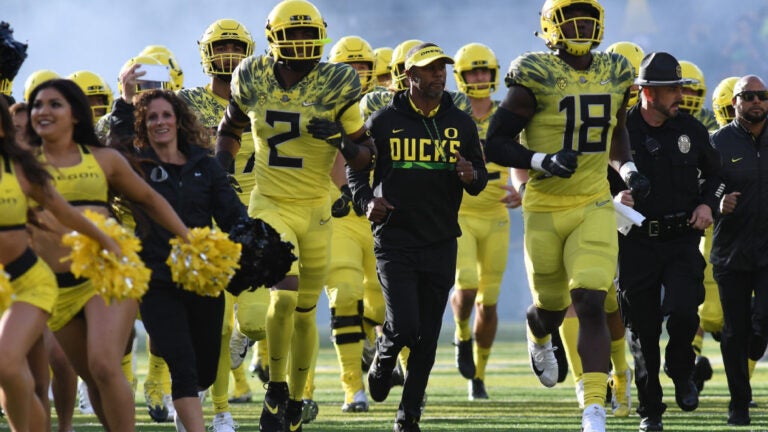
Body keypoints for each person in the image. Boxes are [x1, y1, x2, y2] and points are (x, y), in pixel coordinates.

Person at [484, 2, 649, 431]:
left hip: (593, 203)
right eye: (570, 18)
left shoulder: (615, 70)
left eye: (587, 17)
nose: (580, 26)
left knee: (591, 299)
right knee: (552, 309)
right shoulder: (534, 75)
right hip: (544, 208)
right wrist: (540, 160)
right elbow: (495, 142)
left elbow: (616, 128)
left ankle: (593, 410)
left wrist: (627, 169)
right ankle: (537, 333)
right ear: (549, 27)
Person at [214, 1, 376, 431]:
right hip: (270, 203)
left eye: (309, 34)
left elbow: (366, 155)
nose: (303, 42)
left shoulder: (338, 81)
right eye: (294, 34)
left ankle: (298, 401)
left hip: (318, 209)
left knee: (306, 310)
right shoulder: (251, 75)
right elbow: (229, 128)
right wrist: (222, 173)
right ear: (274, 37)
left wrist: (341, 139)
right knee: (283, 298)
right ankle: (277, 388)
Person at [26, 78, 189, 432]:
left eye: (55, 104)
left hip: (107, 272)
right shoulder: (24, 165)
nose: (43, 111)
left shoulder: (105, 159)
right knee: (89, 373)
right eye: (37, 105)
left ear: (74, 115)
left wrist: (186, 236)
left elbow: (149, 199)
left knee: (103, 364)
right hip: (54, 285)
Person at [350, 41, 487, 432]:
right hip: (394, 240)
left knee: (428, 336)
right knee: (406, 326)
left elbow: (479, 178)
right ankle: (384, 356)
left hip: (441, 240)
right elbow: (357, 170)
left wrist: (470, 176)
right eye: (429, 69)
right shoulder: (381, 121)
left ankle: (408, 416)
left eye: (442, 68)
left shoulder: (460, 122)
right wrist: (365, 202)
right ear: (409, 76)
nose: (439, 75)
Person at [109, 88, 248, 432]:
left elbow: (231, 214)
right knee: (181, 364)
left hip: (203, 277)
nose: (160, 122)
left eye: (166, 115)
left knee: (203, 368)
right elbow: (113, 149)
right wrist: (125, 104)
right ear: (143, 123)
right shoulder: (136, 164)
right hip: (156, 279)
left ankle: (186, 407)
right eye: (152, 117)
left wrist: (256, 242)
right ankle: (192, 421)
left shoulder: (206, 164)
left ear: (179, 120)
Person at [613, 52, 724, 432]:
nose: (680, 94)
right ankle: (651, 412)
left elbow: (718, 176)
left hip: (681, 241)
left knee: (683, 313)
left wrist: (709, 204)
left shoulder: (691, 129)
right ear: (647, 93)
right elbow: (592, 181)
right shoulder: (620, 131)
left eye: (680, 87)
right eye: (672, 88)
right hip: (635, 243)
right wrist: (614, 200)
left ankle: (682, 370)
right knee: (641, 331)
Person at [0, 95, 120, 432]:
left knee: (12, 365)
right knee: (19, 376)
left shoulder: (21, 168)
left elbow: (64, 212)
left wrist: (109, 242)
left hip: (28, 279)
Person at [176, 17, 258, 432]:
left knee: (254, 320)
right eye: (220, 46)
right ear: (206, 52)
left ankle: (246, 340)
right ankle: (220, 411)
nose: (227, 54)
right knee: (217, 323)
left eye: (234, 47)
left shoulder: (263, 97)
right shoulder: (186, 101)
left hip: (258, 208)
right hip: (206, 215)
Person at [449, 41, 520, 401]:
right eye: (472, 71)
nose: (478, 77)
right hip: (460, 214)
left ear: (493, 75)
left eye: (483, 71)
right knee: (467, 286)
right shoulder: (451, 113)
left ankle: (478, 373)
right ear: (461, 76)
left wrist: (523, 188)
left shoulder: (507, 114)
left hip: (495, 216)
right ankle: (461, 333)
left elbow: (522, 155)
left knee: (489, 301)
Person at [709, 75, 768, 426]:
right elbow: (698, 186)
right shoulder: (716, 142)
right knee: (734, 329)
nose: (757, 102)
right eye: (748, 96)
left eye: (762, 96)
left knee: (763, 320)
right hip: (732, 250)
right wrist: (718, 201)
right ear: (735, 102)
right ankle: (739, 402)